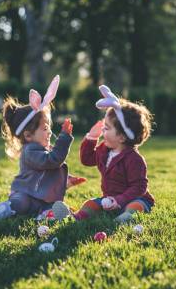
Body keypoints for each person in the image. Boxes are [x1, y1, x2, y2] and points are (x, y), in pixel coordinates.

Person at [0, 76, 82, 222]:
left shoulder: (42, 148)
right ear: (28, 135)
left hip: (41, 197)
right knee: (20, 204)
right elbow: (52, 161)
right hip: (26, 194)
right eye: (45, 128)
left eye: (49, 127)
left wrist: (67, 180)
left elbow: (49, 172)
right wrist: (64, 138)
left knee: (52, 206)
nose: (50, 132)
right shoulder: (30, 151)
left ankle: (47, 215)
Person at [52, 85, 154, 224]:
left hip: (134, 198)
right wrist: (91, 138)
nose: (103, 131)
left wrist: (119, 200)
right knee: (91, 204)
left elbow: (139, 187)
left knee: (135, 206)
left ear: (122, 137)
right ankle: (75, 217)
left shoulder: (134, 159)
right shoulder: (104, 149)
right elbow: (87, 159)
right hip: (109, 199)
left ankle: (126, 217)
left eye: (107, 128)